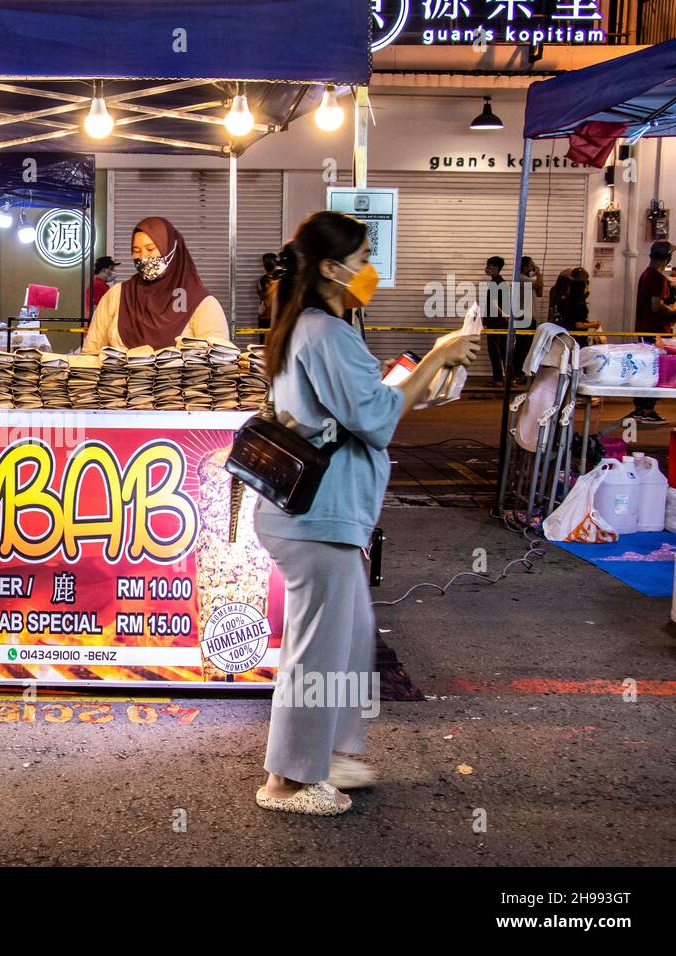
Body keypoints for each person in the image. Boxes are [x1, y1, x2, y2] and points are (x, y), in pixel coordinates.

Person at [254, 211, 478, 816]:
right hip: (315, 516)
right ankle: (289, 781)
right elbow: (374, 420)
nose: (369, 268)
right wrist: (436, 357)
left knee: (350, 641)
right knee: (318, 652)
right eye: (362, 256)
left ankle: (333, 752)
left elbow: (368, 403)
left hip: (326, 513)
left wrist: (415, 382)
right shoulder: (322, 331)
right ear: (331, 268)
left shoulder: (317, 324)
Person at [82, 217, 228, 352]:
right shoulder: (118, 295)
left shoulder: (200, 303)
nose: (143, 257)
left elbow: (218, 361)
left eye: (150, 249)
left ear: (171, 250)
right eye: (136, 251)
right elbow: (91, 352)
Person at [631, 240, 676, 421]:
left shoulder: (647, 275)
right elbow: (656, 306)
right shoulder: (656, 278)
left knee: (646, 369)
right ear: (667, 258)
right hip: (655, 331)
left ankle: (641, 408)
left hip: (646, 330)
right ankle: (646, 409)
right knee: (655, 370)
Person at [481, 255, 509, 386]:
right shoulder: (501, 282)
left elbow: (494, 303)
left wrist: (503, 315)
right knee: (504, 350)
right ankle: (511, 378)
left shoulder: (495, 283)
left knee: (495, 350)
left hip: (495, 321)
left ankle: (498, 379)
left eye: (490, 265)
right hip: (501, 321)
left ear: (497, 267)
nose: (487, 268)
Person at [256, 252, 282, 343]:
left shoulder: (261, 280)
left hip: (265, 316)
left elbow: (261, 294)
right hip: (274, 316)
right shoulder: (280, 281)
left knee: (264, 343)